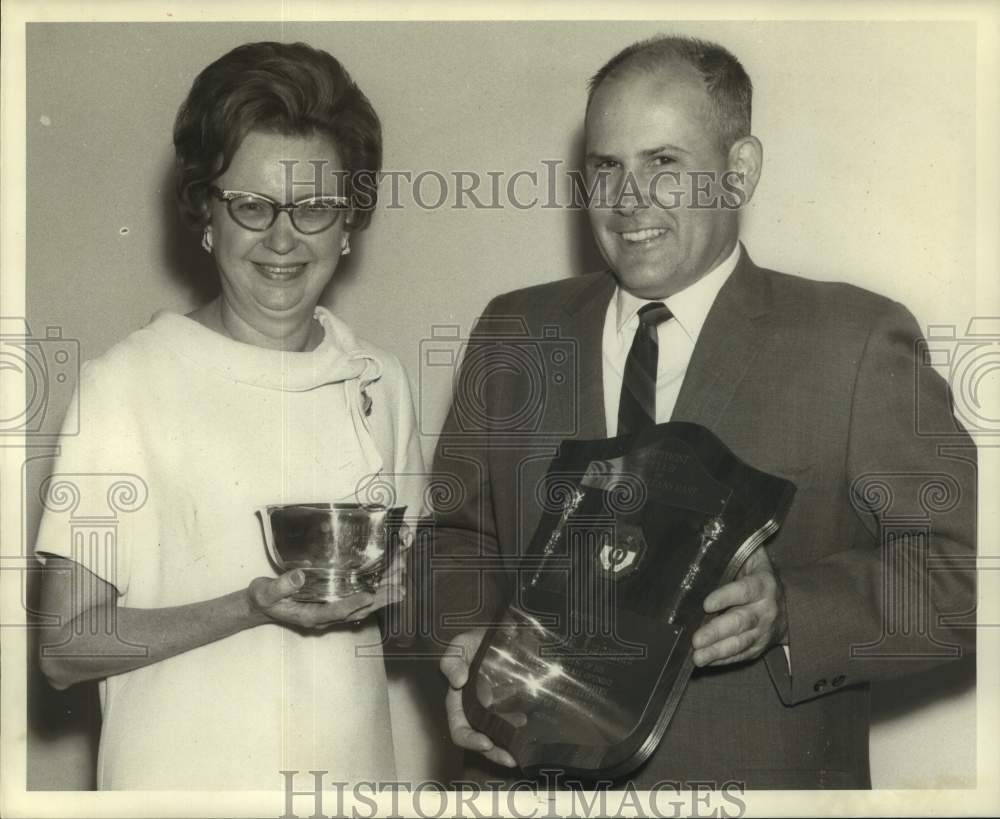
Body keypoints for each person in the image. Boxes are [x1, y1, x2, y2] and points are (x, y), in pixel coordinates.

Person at [430, 35, 977, 789]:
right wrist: (467, 647)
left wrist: (789, 609)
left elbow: (961, 578)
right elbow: (454, 539)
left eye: (664, 163)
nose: (628, 201)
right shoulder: (513, 331)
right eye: (606, 166)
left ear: (739, 170)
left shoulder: (853, 341)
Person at [34, 41, 427, 790]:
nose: (284, 239)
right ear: (206, 215)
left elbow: (403, 601)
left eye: (313, 207)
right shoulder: (130, 384)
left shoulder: (382, 381)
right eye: (251, 205)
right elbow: (62, 645)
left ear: (349, 223)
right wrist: (250, 606)